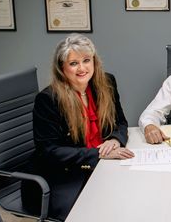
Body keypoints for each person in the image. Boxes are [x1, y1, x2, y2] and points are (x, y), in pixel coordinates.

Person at [22, 34, 134, 221]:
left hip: (103, 164)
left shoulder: (106, 83)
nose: (82, 68)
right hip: (64, 174)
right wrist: (98, 154)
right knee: (91, 214)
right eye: (73, 63)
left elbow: (120, 122)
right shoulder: (49, 99)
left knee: (130, 198)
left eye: (86, 60)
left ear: (94, 62)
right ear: (62, 67)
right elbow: (49, 151)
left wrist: (115, 139)